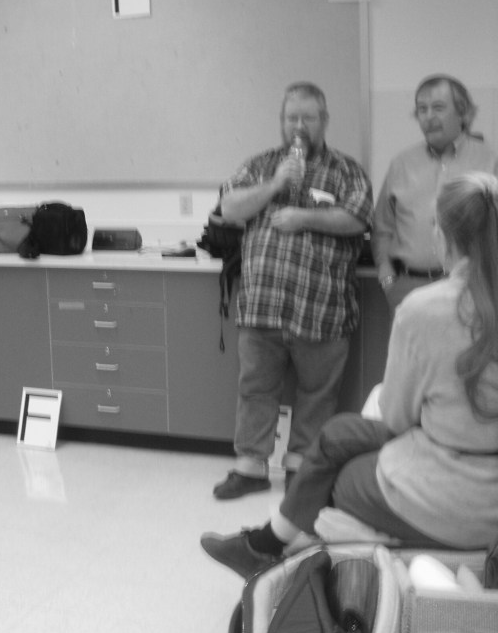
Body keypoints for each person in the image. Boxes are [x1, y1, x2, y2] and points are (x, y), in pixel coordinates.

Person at [201, 171, 498, 579]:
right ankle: (267, 543)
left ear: (445, 237)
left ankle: (280, 549)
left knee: (336, 478)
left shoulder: (425, 310)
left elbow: (397, 419)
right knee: (337, 434)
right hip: (475, 472)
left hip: (457, 496)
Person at [212, 81, 373, 500]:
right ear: (281, 121)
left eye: (308, 118)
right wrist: (274, 185)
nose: (298, 126)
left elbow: (357, 219)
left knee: (317, 395)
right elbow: (229, 207)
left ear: (324, 120)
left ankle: (302, 470)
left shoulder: (347, 171)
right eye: (291, 118)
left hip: (321, 309)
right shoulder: (260, 165)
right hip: (262, 306)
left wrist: (303, 217)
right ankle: (250, 468)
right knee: (255, 389)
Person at [373, 74, 498, 314]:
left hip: (471, 289)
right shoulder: (401, 164)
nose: (428, 117)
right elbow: (383, 229)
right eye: (422, 109)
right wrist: (388, 279)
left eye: (438, 108)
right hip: (407, 289)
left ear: (462, 113)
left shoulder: (488, 161)